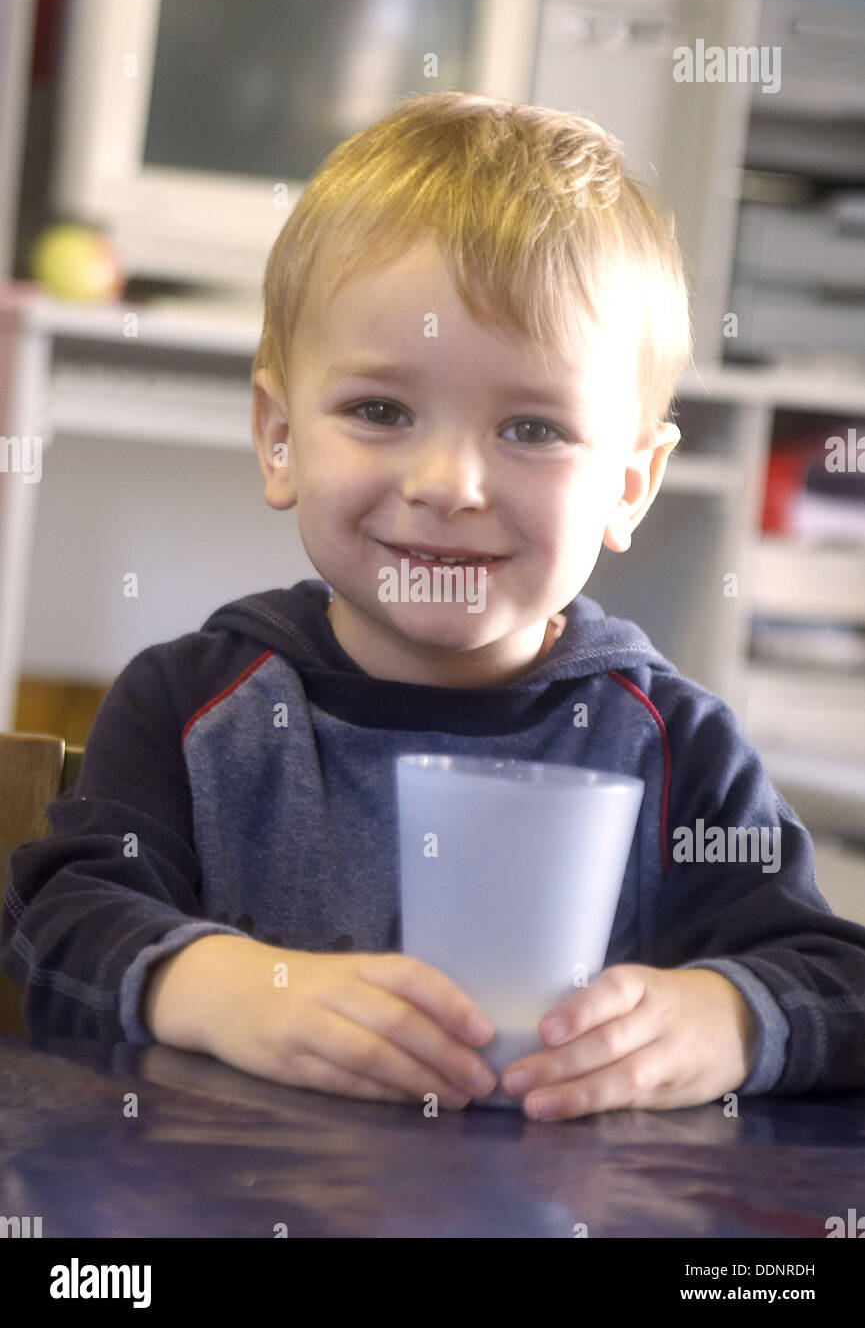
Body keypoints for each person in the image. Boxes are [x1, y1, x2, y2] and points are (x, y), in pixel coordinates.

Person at [3, 92, 864, 1122]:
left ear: (630, 483)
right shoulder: (191, 704)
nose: (449, 481)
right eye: (379, 411)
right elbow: (56, 923)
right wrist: (228, 990)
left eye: (533, 428)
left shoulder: (672, 747)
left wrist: (721, 1015)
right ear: (279, 437)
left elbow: (836, 983)